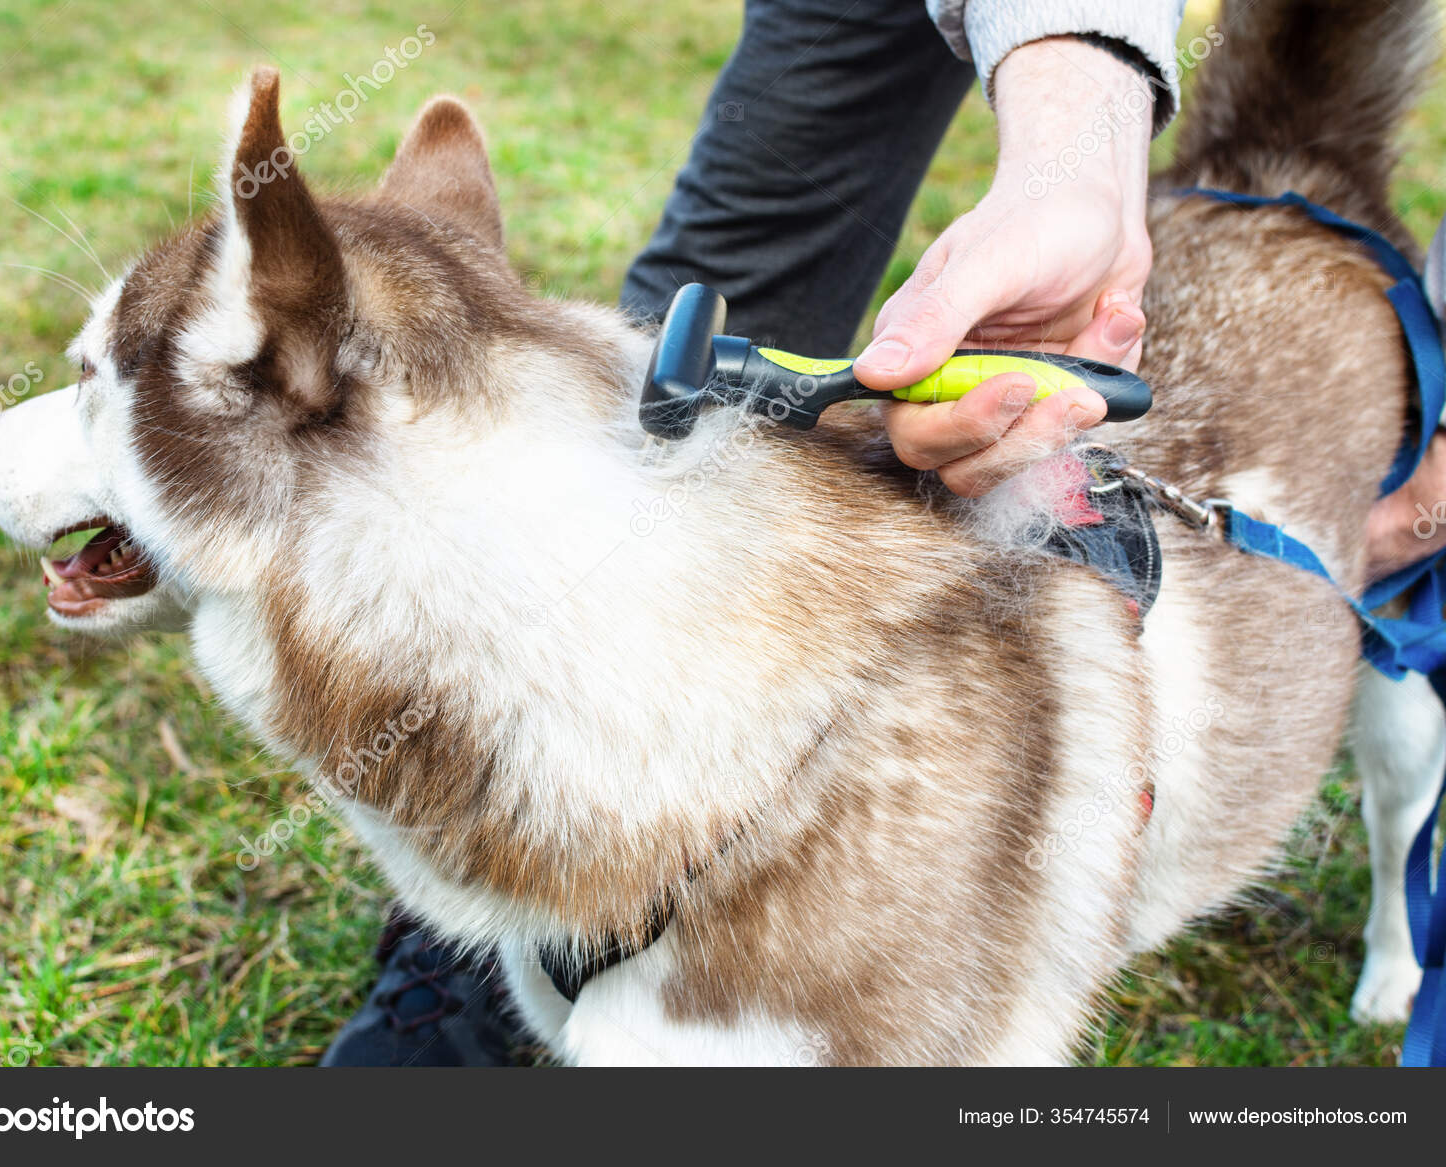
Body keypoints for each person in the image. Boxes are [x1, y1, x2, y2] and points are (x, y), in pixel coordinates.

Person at [321, 0, 1443, 1066]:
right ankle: (520, 885)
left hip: (1312, 369)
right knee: (723, 284)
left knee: (1396, 738)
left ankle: (1398, 907)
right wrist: (1075, 153)